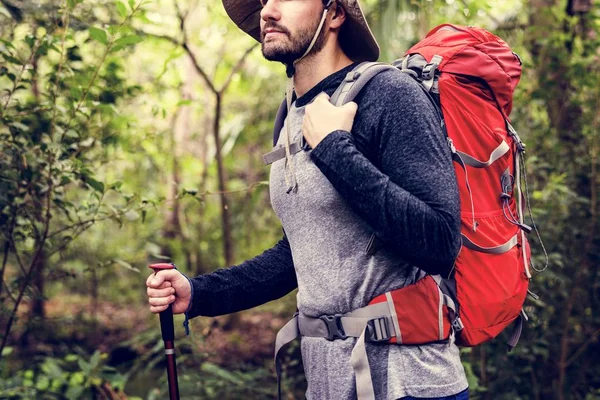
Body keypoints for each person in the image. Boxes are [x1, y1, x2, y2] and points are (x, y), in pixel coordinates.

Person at [146, 0, 469, 398]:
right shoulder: (288, 118)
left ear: (334, 14)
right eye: (265, 1)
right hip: (328, 381)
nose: (268, 10)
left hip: (410, 381)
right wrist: (198, 293)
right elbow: (298, 256)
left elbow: (439, 241)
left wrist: (334, 147)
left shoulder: (388, 94)